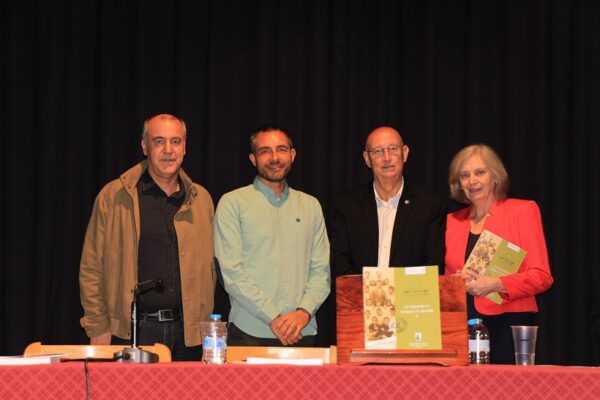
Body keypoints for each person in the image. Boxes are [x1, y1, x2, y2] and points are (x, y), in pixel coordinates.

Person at [79, 114, 215, 361]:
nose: (168, 150)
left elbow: (211, 269)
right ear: (144, 146)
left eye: (175, 141)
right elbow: (92, 267)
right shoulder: (115, 196)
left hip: (190, 336)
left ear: (185, 147)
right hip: (133, 332)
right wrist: (98, 327)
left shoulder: (201, 199)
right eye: (159, 141)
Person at [214, 125, 330, 346]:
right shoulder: (233, 204)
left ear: (292, 155)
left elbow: (321, 270)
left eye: (281, 149)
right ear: (253, 159)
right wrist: (273, 318)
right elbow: (231, 273)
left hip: (302, 331)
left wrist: (303, 312)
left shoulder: (310, 206)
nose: (274, 157)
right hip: (249, 332)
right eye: (265, 151)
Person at [445, 144, 553, 364]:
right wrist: (455, 282)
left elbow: (541, 276)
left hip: (508, 322)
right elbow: (447, 280)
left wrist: (495, 284)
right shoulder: (450, 222)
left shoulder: (522, 211)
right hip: (462, 326)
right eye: (464, 175)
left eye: (479, 172)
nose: (472, 181)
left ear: (495, 176)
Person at [329, 126, 447, 276]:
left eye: (393, 149)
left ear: (405, 153)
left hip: (411, 297)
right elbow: (339, 261)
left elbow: (433, 264)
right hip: (360, 297)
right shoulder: (346, 206)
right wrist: (368, 293)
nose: (386, 157)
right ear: (367, 159)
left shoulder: (430, 205)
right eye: (378, 151)